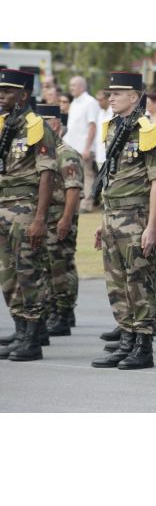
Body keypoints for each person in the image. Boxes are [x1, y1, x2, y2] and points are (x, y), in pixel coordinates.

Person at [91, 72, 156, 370]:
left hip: (135, 217)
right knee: (117, 283)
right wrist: (102, 219)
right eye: (110, 92)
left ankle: (143, 346)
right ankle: (126, 340)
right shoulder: (112, 128)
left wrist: (152, 226)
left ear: (134, 97)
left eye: (118, 93)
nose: (111, 97)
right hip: (112, 216)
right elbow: (111, 177)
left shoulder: (147, 130)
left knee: (139, 282)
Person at [0, 69, 57, 361]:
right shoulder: (3, 124)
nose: (1, 95)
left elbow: (47, 175)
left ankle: (33, 338)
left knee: (28, 273)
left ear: (23, 95)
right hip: (2, 206)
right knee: (7, 275)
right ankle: (20, 331)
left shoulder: (37, 127)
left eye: (8, 91)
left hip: (24, 207)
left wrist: (39, 219)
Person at [35, 104, 83, 337]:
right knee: (46, 266)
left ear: (55, 124)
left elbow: (73, 191)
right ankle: (53, 309)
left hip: (60, 218)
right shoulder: (45, 151)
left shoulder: (66, 153)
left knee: (60, 267)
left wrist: (65, 219)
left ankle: (63, 313)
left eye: (43, 123)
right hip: (46, 219)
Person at [65, 76, 99, 213]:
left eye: (73, 85)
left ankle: (87, 204)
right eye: (70, 85)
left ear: (82, 86)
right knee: (74, 176)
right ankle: (76, 204)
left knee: (87, 175)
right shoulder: (74, 103)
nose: (71, 88)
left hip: (84, 147)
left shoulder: (90, 102)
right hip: (71, 146)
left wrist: (87, 148)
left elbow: (93, 126)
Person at [95, 89, 112, 167]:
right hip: (99, 154)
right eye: (97, 100)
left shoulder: (114, 113)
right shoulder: (100, 113)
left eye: (101, 100)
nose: (98, 103)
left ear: (108, 99)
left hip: (109, 156)